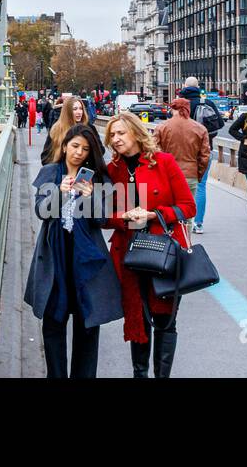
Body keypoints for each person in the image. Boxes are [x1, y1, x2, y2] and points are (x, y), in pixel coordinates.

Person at [25, 124, 122, 378]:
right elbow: (42, 212)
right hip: (55, 258)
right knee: (54, 323)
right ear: (65, 145)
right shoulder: (50, 173)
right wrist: (60, 192)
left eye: (85, 149)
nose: (79, 152)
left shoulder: (96, 178)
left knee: (87, 325)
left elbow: (101, 221)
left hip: (86, 261)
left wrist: (90, 196)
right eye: (75, 146)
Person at [103, 112, 196, 378]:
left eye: (121, 133)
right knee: (138, 319)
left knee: (166, 321)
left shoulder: (163, 163)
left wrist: (153, 215)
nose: (116, 139)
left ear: (135, 132)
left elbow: (189, 206)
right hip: (129, 254)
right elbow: (102, 218)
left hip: (163, 253)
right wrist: (123, 217)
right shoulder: (113, 171)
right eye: (112, 134)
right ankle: (140, 374)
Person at [154, 98, 210, 232]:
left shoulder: (162, 127)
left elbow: (153, 151)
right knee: (187, 214)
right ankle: (186, 243)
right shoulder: (200, 128)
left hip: (167, 176)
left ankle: (171, 244)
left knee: (168, 211)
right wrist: (198, 175)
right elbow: (204, 157)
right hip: (190, 175)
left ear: (173, 109)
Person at [178, 76, 223, 233]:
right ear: (198, 87)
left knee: (183, 185)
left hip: (184, 153)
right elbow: (220, 124)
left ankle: (184, 220)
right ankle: (198, 223)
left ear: (184, 86)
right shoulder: (207, 103)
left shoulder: (181, 104)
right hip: (205, 150)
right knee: (201, 186)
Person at [42, 95, 89, 165]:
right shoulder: (56, 129)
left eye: (81, 108)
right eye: (75, 109)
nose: (79, 112)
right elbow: (45, 157)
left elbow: (99, 152)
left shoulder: (88, 128)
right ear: (67, 111)